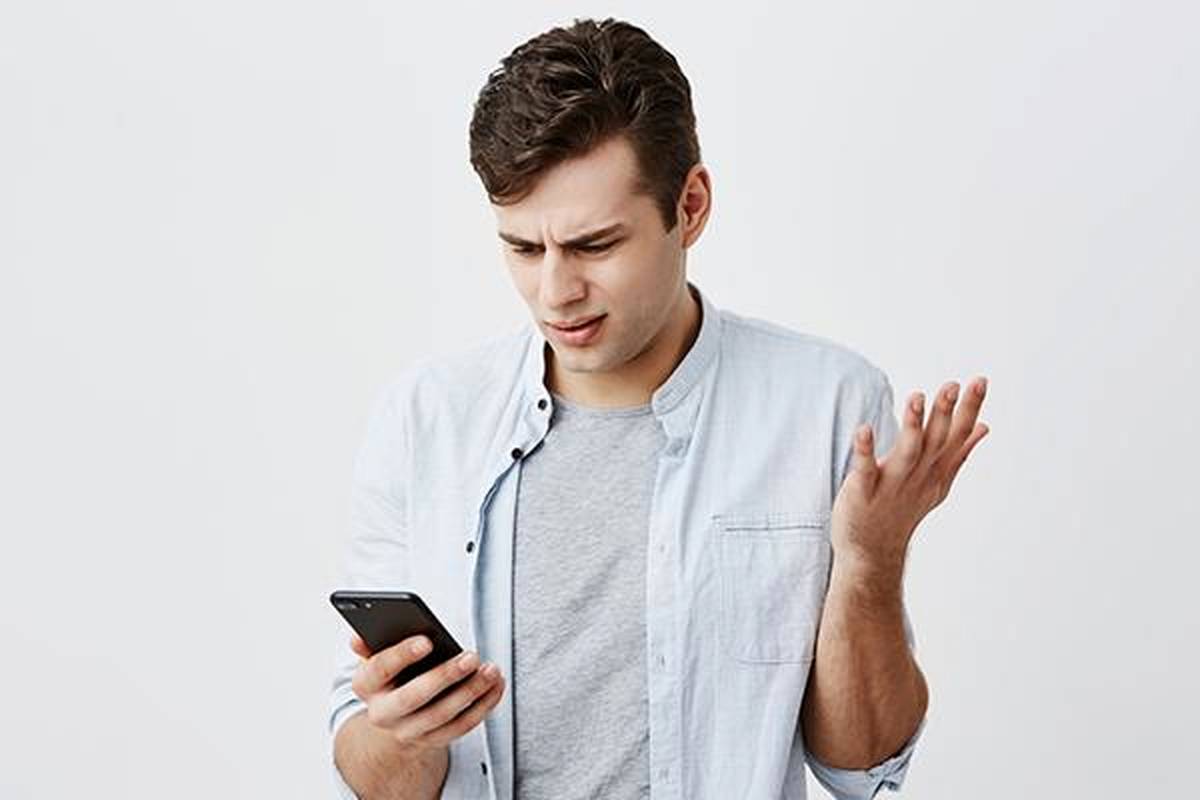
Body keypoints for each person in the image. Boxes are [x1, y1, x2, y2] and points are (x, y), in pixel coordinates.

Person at [328, 16, 989, 800]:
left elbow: (859, 766)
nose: (556, 292)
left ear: (692, 206)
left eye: (595, 245)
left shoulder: (828, 406)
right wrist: (402, 732)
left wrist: (871, 565)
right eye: (524, 249)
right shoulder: (426, 421)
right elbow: (374, 776)